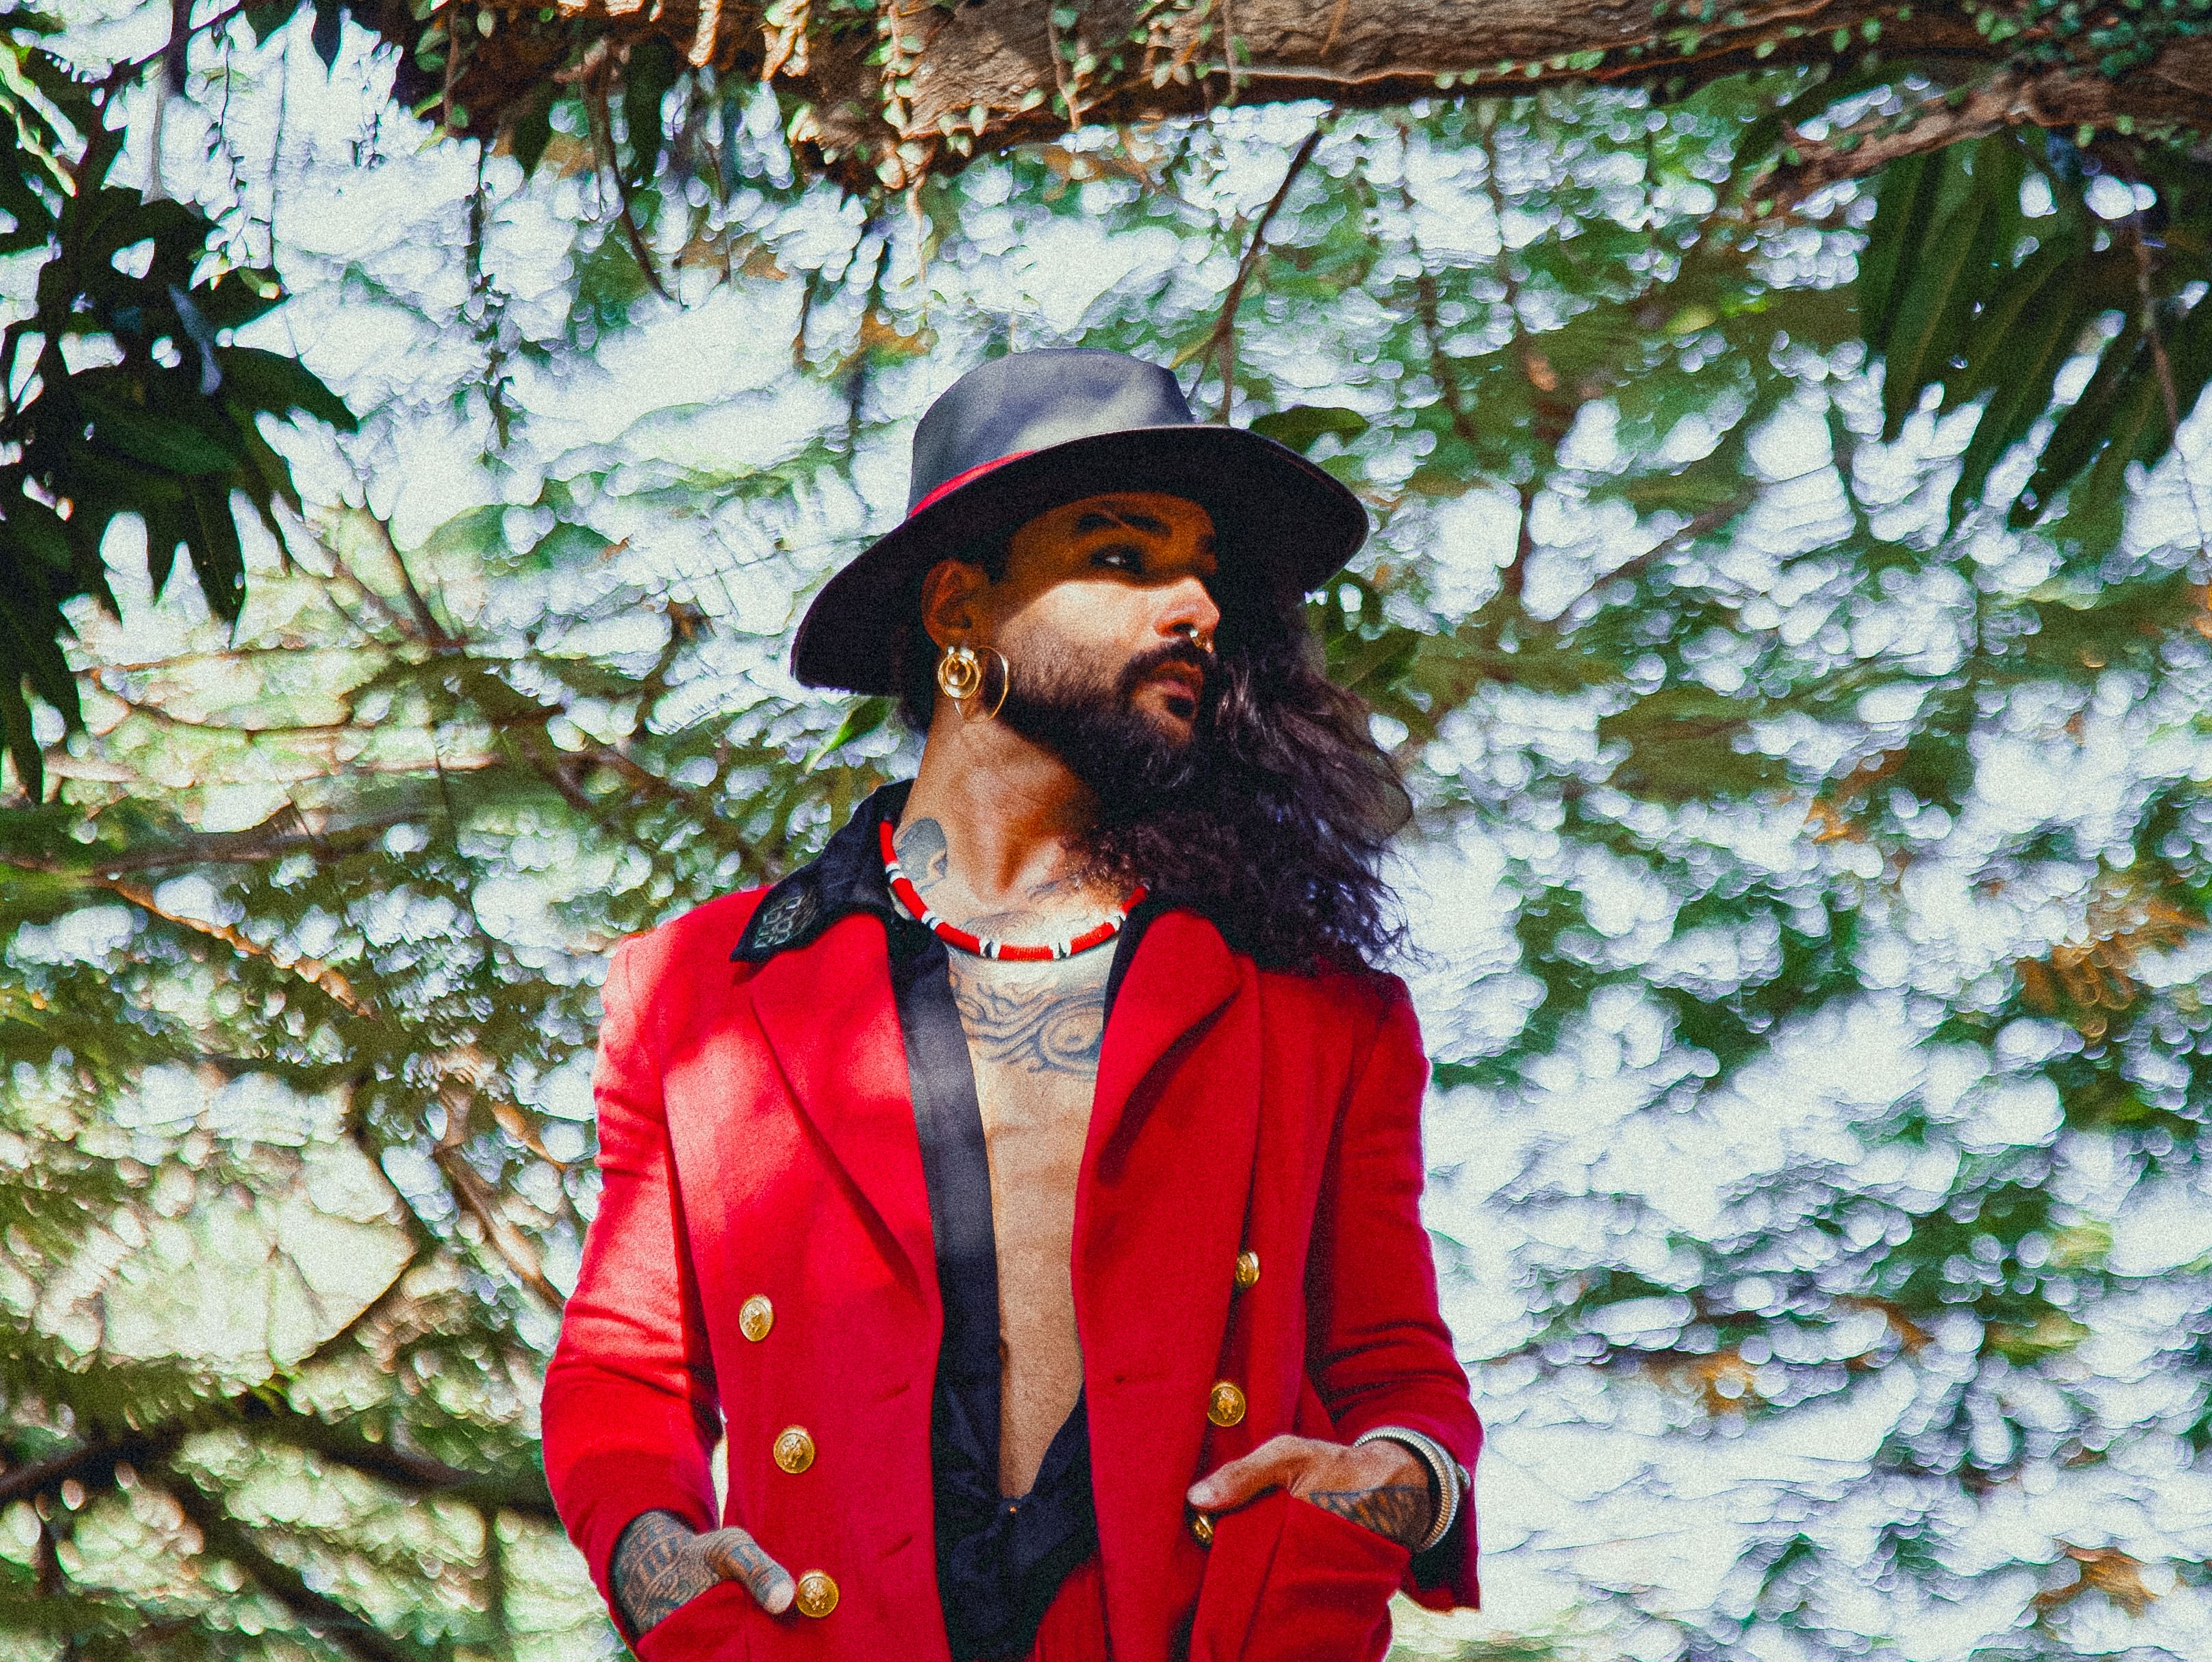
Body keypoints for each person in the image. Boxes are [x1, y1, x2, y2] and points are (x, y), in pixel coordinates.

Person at [540, 349, 1482, 1662]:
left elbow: (1401, 1375)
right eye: (1123, 556)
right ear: (959, 609)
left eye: (1205, 568)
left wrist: (1391, 1491)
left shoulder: (1320, 1015)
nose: (1196, 605)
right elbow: (623, 1370)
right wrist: (658, 1569)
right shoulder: (702, 991)